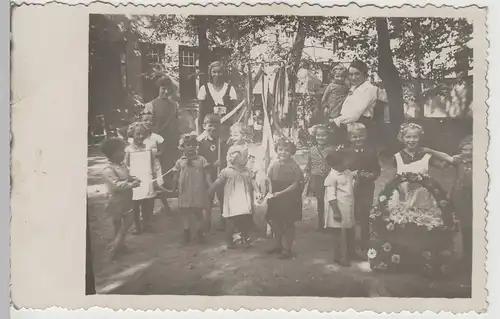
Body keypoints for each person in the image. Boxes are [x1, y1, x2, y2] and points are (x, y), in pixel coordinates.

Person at [422, 135, 473, 273]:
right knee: (459, 223)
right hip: (459, 196)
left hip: (474, 196)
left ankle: (472, 256)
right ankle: (460, 254)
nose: (468, 152)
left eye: (471, 149)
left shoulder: (483, 160)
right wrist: (430, 151)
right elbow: (445, 157)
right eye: (465, 149)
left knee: (473, 226)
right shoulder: (459, 160)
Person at [209, 145, 261, 249]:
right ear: (236, 158)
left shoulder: (247, 171)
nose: (247, 160)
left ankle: (244, 238)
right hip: (232, 202)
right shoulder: (227, 171)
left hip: (244, 200)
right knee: (231, 221)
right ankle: (229, 240)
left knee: (245, 220)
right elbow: (218, 182)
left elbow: (252, 181)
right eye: (245, 157)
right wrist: (211, 190)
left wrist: (258, 191)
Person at [344, 122, 381, 259]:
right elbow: (341, 170)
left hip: (366, 188)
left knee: (365, 214)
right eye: (355, 137)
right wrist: (350, 173)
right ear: (349, 138)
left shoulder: (371, 152)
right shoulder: (346, 153)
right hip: (350, 189)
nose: (358, 139)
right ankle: (350, 243)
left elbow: (377, 169)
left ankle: (365, 241)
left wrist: (372, 175)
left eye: (360, 136)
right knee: (352, 215)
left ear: (365, 136)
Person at [101, 138, 141, 259]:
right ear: (113, 154)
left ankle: (119, 245)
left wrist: (134, 179)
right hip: (116, 201)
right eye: (121, 151)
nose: (124, 153)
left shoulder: (122, 165)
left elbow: (127, 177)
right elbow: (116, 185)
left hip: (127, 199)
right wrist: (131, 184)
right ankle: (115, 248)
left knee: (127, 221)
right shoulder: (108, 170)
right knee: (119, 224)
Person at [265, 138, 304, 259]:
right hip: (276, 195)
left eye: (287, 150)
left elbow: (296, 184)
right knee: (275, 221)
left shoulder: (294, 166)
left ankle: (287, 248)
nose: (283, 152)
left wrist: (280, 193)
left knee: (288, 223)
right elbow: (269, 179)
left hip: (289, 197)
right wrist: (270, 192)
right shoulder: (274, 164)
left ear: (292, 152)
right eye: (280, 149)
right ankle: (278, 244)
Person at [172, 133, 211, 244]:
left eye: (193, 145)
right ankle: (186, 232)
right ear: (182, 147)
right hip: (185, 190)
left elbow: (207, 175)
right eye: (187, 145)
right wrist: (173, 188)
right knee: (185, 212)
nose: (190, 147)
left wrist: (210, 186)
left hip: (198, 190)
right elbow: (175, 176)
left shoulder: (201, 160)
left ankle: (200, 232)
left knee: (198, 211)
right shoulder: (180, 162)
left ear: (196, 147)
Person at [143, 75, 180, 191]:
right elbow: (147, 126)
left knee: (172, 165)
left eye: (169, 89)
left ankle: (171, 189)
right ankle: (159, 188)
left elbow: (178, 123)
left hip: (172, 140)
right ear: (159, 88)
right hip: (158, 140)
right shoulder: (150, 105)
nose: (166, 91)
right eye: (163, 88)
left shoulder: (175, 105)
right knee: (158, 167)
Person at [331, 60, 381, 145]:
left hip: (360, 128)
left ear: (364, 74)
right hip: (347, 124)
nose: (353, 78)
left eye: (357, 74)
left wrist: (334, 121)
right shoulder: (354, 87)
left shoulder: (369, 89)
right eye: (351, 75)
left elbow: (354, 115)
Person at [324, 148, 356, 266]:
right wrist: (336, 212)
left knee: (349, 229)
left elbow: (350, 180)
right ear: (335, 165)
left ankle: (351, 252)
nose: (346, 165)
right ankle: (339, 256)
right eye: (344, 163)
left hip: (347, 206)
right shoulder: (331, 177)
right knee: (338, 233)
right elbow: (331, 196)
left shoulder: (347, 172)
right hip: (336, 208)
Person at [197, 114, 229, 232]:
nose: (213, 128)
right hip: (207, 176)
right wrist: (211, 164)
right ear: (204, 126)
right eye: (210, 125)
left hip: (220, 175)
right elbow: (199, 160)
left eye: (216, 125)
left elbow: (229, 159)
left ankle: (223, 218)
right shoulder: (200, 144)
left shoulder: (223, 144)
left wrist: (223, 162)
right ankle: (207, 221)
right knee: (208, 198)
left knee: (223, 197)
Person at [125, 122, 157, 234]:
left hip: (147, 178)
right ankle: (137, 226)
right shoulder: (128, 150)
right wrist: (129, 178)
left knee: (148, 203)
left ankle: (146, 224)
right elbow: (126, 166)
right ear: (132, 134)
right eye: (138, 134)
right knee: (135, 205)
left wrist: (154, 178)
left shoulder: (149, 148)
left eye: (143, 134)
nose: (141, 137)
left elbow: (153, 164)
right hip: (135, 180)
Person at [304, 124, 336, 231]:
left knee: (330, 200)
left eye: (323, 136)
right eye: (318, 135)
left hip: (329, 178)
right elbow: (309, 164)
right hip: (316, 178)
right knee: (320, 201)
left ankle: (331, 223)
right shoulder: (312, 149)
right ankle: (321, 224)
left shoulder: (332, 150)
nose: (320, 138)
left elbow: (335, 164)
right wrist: (306, 174)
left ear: (328, 136)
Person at [140, 111, 172, 214]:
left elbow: (162, 151)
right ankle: (146, 212)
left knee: (158, 185)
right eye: (145, 120)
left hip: (155, 165)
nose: (148, 122)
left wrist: (153, 155)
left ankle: (166, 206)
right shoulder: (138, 137)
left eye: (150, 120)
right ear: (141, 121)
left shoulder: (156, 137)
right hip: (142, 166)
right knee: (145, 187)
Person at [197, 61, 238, 134]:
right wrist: (200, 133)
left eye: (220, 72)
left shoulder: (230, 89)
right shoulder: (204, 89)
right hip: (209, 130)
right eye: (214, 72)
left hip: (225, 128)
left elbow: (234, 113)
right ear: (210, 73)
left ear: (223, 73)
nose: (217, 74)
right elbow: (200, 113)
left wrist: (234, 130)